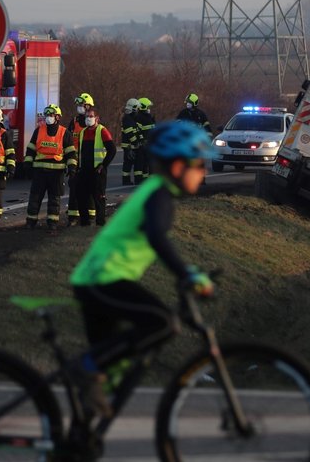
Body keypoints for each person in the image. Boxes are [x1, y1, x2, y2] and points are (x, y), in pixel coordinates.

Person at [69, 120, 215, 418]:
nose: (204, 171)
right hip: (104, 279)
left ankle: (77, 440)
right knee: (162, 324)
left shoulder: (157, 193)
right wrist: (186, 274)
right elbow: (156, 237)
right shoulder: (159, 194)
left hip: (97, 279)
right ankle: (85, 366)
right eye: (199, 164)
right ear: (177, 166)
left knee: (108, 379)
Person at [23, 104, 77, 232]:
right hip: (39, 172)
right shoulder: (39, 130)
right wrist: (27, 164)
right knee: (35, 197)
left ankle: (52, 223)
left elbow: (71, 154)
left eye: (51, 115)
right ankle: (31, 222)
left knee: (54, 199)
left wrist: (72, 168)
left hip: (56, 173)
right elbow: (30, 149)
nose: (48, 118)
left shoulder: (65, 133)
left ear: (57, 117)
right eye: (47, 115)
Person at [73, 107, 116, 226]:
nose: (88, 119)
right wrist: (77, 168)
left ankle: (100, 223)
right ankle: (85, 223)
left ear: (97, 118)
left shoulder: (102, 131)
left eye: (91, 116)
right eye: (87, 116)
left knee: (99, 198)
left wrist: (103, 165)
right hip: (84, 170)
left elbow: (112, 150)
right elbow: (80, 152)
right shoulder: (82, 132)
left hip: (97, 171)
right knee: (81, 195)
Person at [67, 92, 95, 225]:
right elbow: (67, 139)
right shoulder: (74, 121)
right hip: (76, 161)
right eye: (78, 105)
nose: (79, 107)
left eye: (81, 105)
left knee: (90, 189)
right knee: (74, 188)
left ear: (88, 106)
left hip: (90, 161)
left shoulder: (94, 121)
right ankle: (73, 217)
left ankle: (90, 216)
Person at [134, 97, 156, 183]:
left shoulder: (149, 117)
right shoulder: (140, 118)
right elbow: (138, 131)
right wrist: (142, 140)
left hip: (149, 144)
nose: (149, 109)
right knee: (144, 163)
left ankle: (144, 180)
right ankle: (141, 180)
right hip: (144, 144)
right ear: (143, 107)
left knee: (146, 163)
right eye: (148, 107)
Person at [119, 98, 141, 185]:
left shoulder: (130, 118)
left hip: (131, 146)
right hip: (129, 146)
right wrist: (136, 142)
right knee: (128, 164)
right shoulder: (127, 119)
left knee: (131, 164)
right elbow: (129, 133)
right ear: (134, 108)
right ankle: (126, 181)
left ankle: (130, 180)